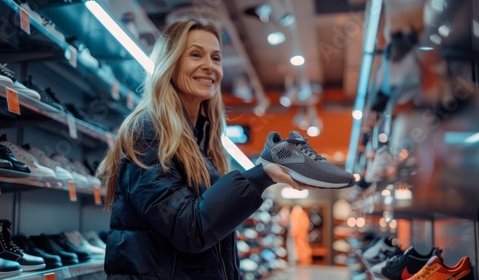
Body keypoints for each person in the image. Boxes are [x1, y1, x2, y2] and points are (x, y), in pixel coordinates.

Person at [97, 18, 344, 279]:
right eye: (195, 54)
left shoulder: (198, 141)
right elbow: (189, 229)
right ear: (169, 63)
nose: (209, 66)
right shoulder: (147, 130)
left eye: (216, 58)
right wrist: (261, 175)